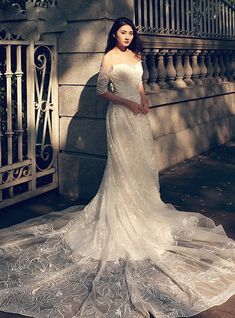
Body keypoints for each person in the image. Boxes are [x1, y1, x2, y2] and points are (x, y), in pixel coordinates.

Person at [0, 16, 235, 318]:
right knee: (122, 168)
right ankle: (121, 213)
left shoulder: (136, 55)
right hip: (120, 117)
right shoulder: (109, 56)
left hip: (139, 117)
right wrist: (127, 103)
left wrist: (144, 100)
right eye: (123, 32)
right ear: (115, 34)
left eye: (130, 33)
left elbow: (138, 83)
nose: (127, 36)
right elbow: (101, 91)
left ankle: (143, 207)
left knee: (141, 166)